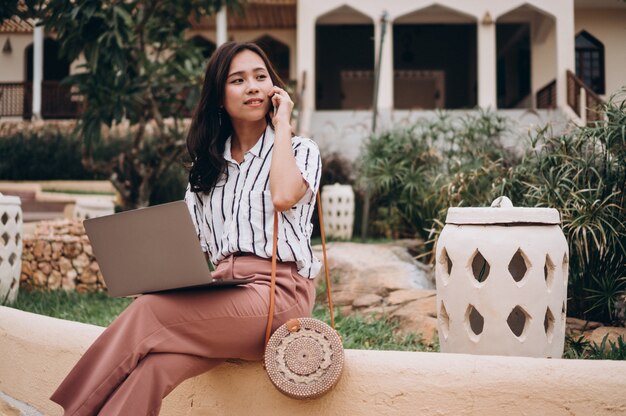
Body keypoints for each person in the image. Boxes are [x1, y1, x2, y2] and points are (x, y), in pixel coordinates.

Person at [50, 41, 322, 416]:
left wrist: (284, 122)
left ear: (275, 90)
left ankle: (72, 412)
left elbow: (283, 195)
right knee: (154, 367)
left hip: (280, 294)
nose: (253, 87)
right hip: (225, 292)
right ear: (219, 98)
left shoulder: (300, 149)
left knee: (150, 313)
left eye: (261, 77)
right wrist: (152, 272)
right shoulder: (209, 167)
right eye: (238, 80)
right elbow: (186, 242)